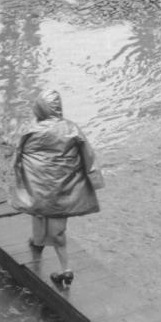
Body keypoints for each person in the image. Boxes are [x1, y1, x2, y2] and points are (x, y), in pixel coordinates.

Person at [9, 89, 103, 289]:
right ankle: (65, 268)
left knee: (37, 210)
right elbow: (88, 154)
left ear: (39, 108)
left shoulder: (31, 130)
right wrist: (94, 179)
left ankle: (37, 242)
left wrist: (18, 175)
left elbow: (19, 155)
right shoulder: (71, 128)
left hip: (39, 185)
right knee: (59, 232)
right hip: (64, 188)